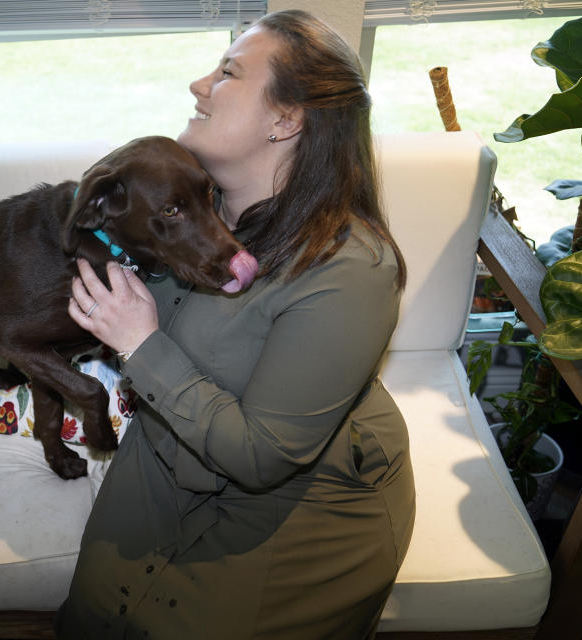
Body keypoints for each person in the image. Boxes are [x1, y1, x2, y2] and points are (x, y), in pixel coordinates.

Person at [56, 9, 415, 639]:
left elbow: (264, 457)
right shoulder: (185, 206)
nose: (198, 85)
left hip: (296, 500)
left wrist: (140, 344)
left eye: (227, 72)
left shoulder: (351, 269)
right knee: (89, 620)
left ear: (286, 118)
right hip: (172, 448)